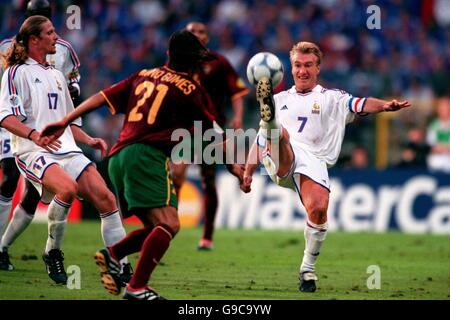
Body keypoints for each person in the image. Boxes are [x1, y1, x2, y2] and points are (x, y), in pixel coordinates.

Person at [39, 30, 243, 300]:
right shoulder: (189, 89)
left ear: (169, 54)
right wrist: (234, 168)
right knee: (170, 224)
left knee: (156, 228)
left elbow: (101, 97)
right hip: (146, 157)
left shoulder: (143, 74)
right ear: (194, 61)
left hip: (118, 158)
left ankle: (113, 254)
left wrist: (65, 120)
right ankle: (136, 287)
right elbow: (215, 135)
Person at [240, 41, 411, 293]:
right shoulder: (278, 99)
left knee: (319, 210)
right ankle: (272, 121)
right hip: (281, 156)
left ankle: (307, 270)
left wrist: (384, 105)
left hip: (314, 162)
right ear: (291, 68)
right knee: (278, 132)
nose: (302, 71)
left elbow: (360, 104)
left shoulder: (332, 98)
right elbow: (260, 139)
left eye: (308, 65)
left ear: (318, 68)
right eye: (297, 65)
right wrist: (247, 171)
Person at [0, 15, 129, 285]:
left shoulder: (57, 74)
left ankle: (121, 265)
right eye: (50, 32)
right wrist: (35, 135)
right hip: (32, 151)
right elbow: (5, 117)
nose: (56, 36)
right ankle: (53, 252)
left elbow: (65, 121)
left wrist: (88, 138)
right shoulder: (15, 73)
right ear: (34, 39)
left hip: (67, 149)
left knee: (107, 199)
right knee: (67, 189)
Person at [0, 0, 82, 272]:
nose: (38, 18)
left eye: (44, 15)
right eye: (34, 15)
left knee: (33, 196)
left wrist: (73, 91)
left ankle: (4, 246)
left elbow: (73, 81)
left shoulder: (64, 49)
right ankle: (1, 248)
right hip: (16, 125)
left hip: (51, 129)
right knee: (10, 177)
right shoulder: (6, 49)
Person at [171, 22, 249, 250]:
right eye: (192, 32)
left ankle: (207, 237)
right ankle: (166, 224)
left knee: (208, 181)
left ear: (207, 37)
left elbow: (237, 92)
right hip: (184, 128)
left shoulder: (219, 62)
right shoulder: (178, 62)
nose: (196, 35)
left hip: (211, 129)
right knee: (177, 175)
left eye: (201, 32)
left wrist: (238, 117)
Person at [426, 97, 450, 173]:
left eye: (446, 107)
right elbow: (433, 146)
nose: (444, 110)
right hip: (438, 157)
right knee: (433, 161)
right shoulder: (434, 125)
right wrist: (445, 148)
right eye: (441, 107)